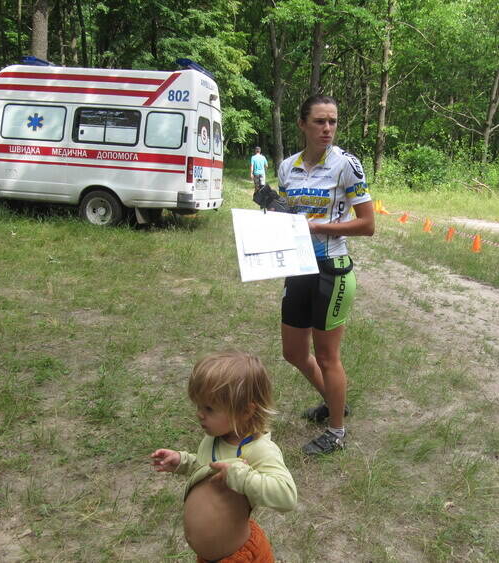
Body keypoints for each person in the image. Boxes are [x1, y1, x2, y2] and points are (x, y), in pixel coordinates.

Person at [277, 95, 375, 455]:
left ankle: (336, 431)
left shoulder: (346, 164)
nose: (327, 128)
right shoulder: (287, 167)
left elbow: (367, 224)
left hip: (332, 270)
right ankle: (334, 401)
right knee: (293, 352)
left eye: (332, 121)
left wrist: (319, 227)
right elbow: (288, 217)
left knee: (327, 356)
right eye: (319, 121)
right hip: (298, 267)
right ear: (302, 124)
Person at [150, 351, 297, 562]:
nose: (199, 414)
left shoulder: (259, 450)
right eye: (198, 406)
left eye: (209, 408)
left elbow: (287, 496)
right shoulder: (214, 438)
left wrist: (243, 477)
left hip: (239, 557)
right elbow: (207, 470)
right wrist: (183, 462)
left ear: (245, 411)